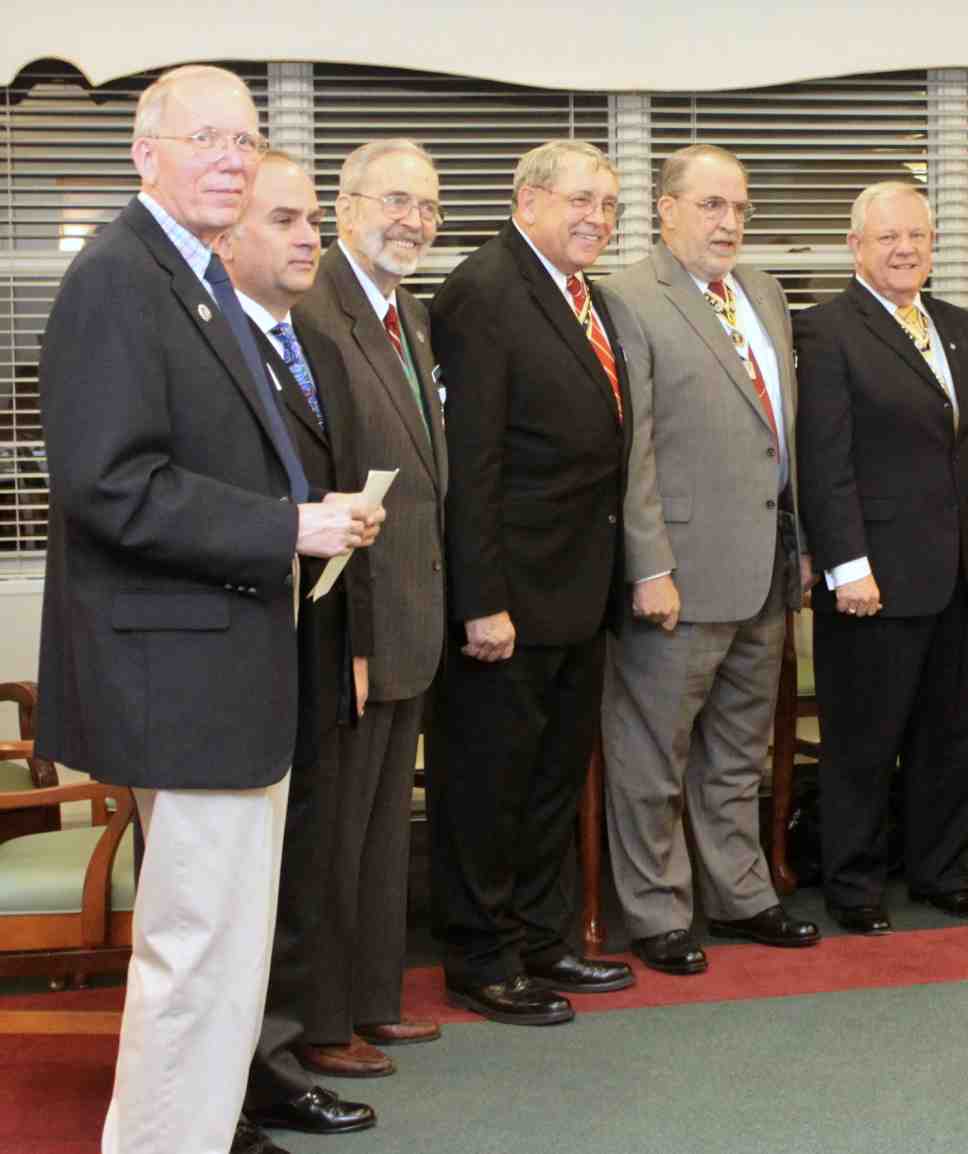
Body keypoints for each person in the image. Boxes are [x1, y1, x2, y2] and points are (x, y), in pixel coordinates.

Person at [33, 65, 379, 1154]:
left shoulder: (198, 276)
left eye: (246, 138)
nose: (232, 156)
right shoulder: (116, 278)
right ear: (146, 154)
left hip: (227, 663)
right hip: (177, 669)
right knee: (193, 947)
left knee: (227, 946)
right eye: (207, 138)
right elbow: (110, 485)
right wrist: (288, 528)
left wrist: (310, 510)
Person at [427, 140, 636, 1024]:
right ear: (527, 200)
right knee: (487, 783)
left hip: (579, 591)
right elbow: (469, 465)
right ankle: (480, 955)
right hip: (507, 599)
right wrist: (482, 600)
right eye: (581, 199)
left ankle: (543, 939)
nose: (597, 217)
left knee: (553, 779)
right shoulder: (483, 291)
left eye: (610, 204)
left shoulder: (584, 294)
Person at [601, 143, 818, 975]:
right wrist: (647, 564)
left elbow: (778, 437)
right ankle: (656, 910)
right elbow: (635, 448)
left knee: (737, 748)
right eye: (710, 206)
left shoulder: (761, 292)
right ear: (665, 208)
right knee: (653, 752)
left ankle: (739, 894)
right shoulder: (628, 298)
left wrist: (797, 546)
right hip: (678, 574)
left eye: (738, 208)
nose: (728, 222)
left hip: (764, 565)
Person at [795, 181, 968, 935]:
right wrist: (845, 565)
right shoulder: (825, 330)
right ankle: (853, 884)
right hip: (873, 577)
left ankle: (941, 870)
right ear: (855, 246)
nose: (904, 249)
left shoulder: (959, 326)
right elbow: (823, 460)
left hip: (956, 573)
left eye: (916, 235)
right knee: (862, 738)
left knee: (950, 736)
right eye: (887, 236)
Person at [219, 152, 382, 1147]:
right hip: (230, 656)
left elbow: (323, 500)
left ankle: (269, 1068)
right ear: (225, 237)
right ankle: (225, 1091)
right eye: (283, 218)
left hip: (311, 644)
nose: (306, 235)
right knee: (230, 894)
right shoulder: (210, 348)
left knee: (289, 876)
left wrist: (353, 636)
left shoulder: (300, 339)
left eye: (312, 217)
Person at [291, 138, 447, 1071]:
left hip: (410, 620)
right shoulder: (315, 311)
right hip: (347, 621)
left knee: (386, 830)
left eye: (427, 206)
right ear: (346, 207)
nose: (413, 221)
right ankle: (318, 1022)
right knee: (334, 836)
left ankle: (372, 999)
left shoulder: (409, 314)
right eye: (395, 201)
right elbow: (321, 475)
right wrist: (346, 630)